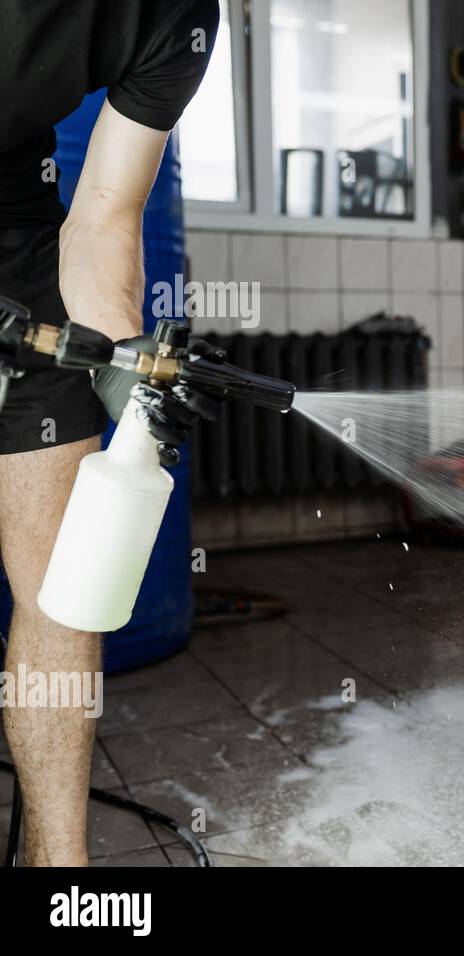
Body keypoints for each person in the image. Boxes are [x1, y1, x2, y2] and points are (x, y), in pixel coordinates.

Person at [0, 0, 220, 866]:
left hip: (20, 239)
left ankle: (61, 877)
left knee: (62, 582)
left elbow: (102, 219)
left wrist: (129, 365)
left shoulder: (176, 17)